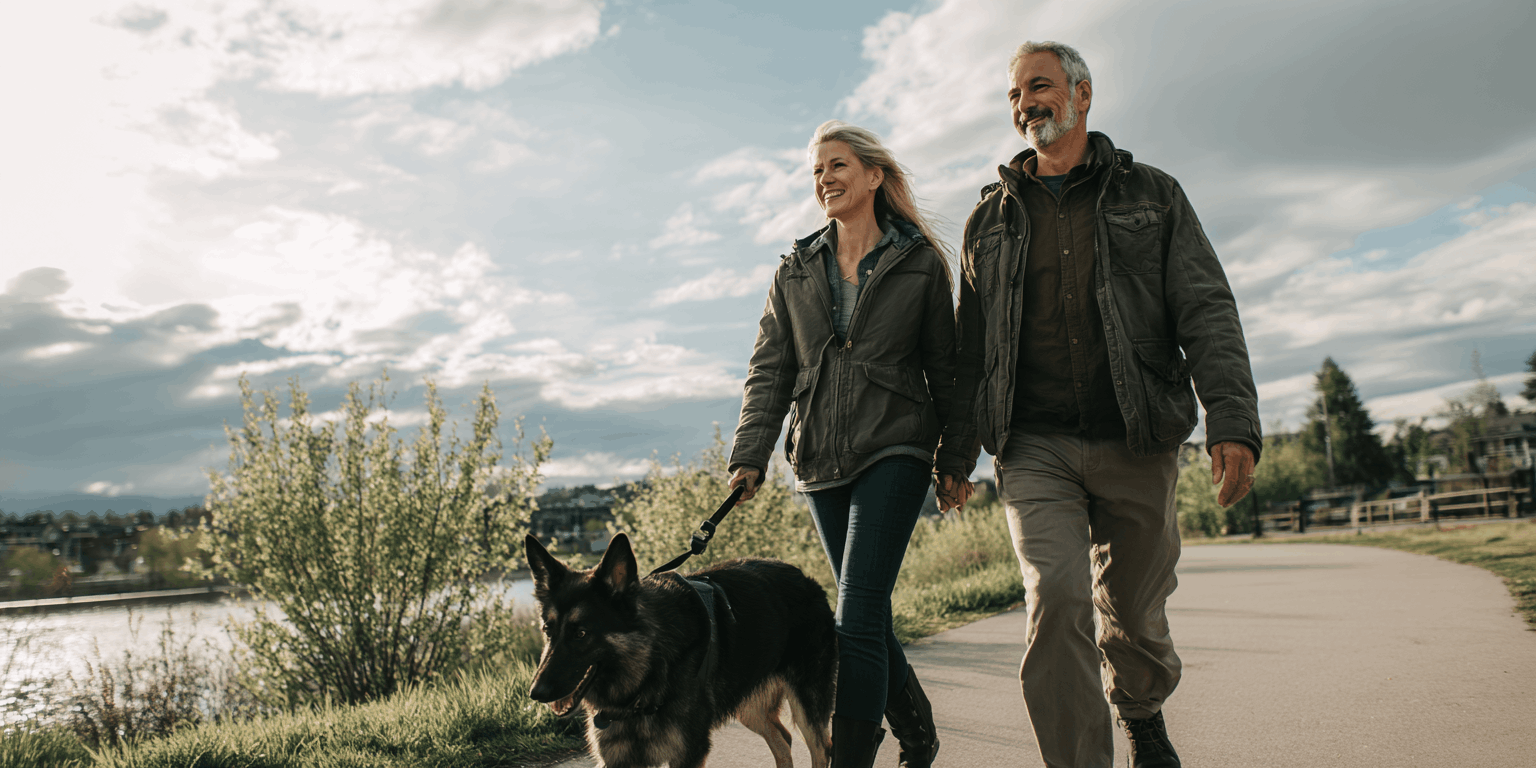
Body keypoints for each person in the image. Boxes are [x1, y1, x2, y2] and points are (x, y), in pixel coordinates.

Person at [933, 41, 1261, 768]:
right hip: (1032, 445)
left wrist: (1231, 422)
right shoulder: (988, 223)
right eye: (1015, 95)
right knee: (1055, 598)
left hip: (1136, 434)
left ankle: (1140, 713)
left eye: (1039, 87)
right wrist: (955, 454)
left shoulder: (1153, 195)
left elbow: (1205, 309)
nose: (1026, 105)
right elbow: (969, 353)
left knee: (1137, 611)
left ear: (1084, 93)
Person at [728, 120, 957, 768]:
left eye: (838, 166)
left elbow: (948, 369)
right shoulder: (795, 269)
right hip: (822, 459)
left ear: (875, 175)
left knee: (854, 615)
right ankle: (918, 734)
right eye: (817, 171)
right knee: (870, 615)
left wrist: (957, 459)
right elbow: (771, 369)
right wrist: (749, 455)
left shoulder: (918, 265)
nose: (825, 179)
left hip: (897, 447)